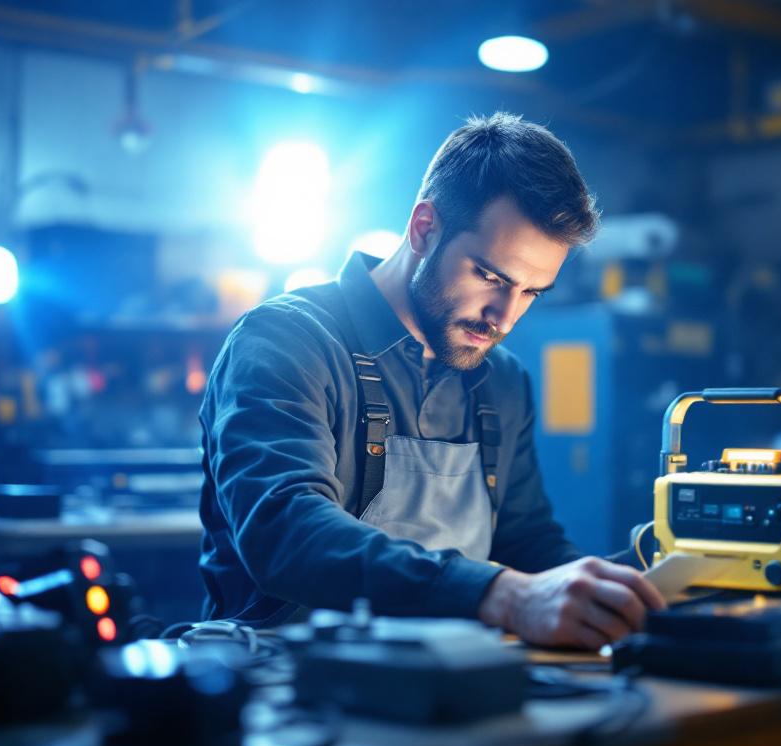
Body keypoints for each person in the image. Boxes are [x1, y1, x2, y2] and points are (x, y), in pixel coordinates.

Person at [197, 112, 665, 649]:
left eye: (532, 292)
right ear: (424, 229)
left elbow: (526, 543)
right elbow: (285, 533)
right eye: (491, 276)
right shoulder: (286, 341)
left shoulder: (502, 381)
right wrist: (505, 596)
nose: (505, 318)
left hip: (446, 683)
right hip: (279, 692)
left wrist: (613, 594)